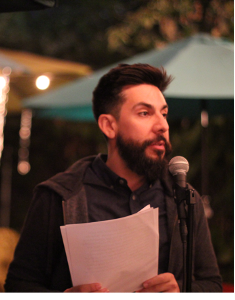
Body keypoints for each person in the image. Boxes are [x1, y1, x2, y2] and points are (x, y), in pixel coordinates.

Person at [5, 64, 222, 293]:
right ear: (109, 125)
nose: (163, 125)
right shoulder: (59, 195)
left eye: (164, 113)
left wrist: (180, 290)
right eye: (145, 113)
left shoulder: (184, 199)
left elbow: (212, 284)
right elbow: (18, 285)